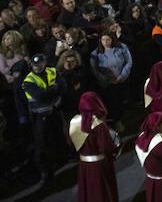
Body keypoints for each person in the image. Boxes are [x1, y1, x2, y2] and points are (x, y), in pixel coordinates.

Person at [67, 92, 119, 202]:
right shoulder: (98, 125)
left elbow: (71, 142)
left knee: (89, 193)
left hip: (84, 165)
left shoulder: (74, 121)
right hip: (100, 166)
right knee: (103, 193)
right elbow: (106, 147)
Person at [21, 53, 63, 184]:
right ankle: (45, 172)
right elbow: (39, 96)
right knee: (41, 145)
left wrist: (51, 91)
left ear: (45, 63)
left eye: (39, 64)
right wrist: (53, 89)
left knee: (58, 137)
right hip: (41, 116)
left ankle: (61, 162)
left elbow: (63, 87)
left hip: (55, 111)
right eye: (34, 65)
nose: (37, 67)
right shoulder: (28, 81)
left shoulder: (53, 71)